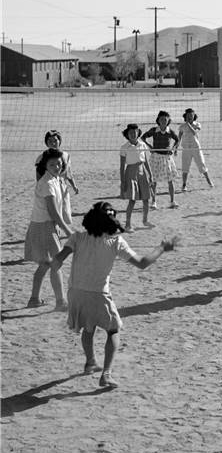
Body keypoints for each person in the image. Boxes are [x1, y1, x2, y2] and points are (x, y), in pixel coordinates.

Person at [51, 202, 178, 388]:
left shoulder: (77, 237)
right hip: (98, 293)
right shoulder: (115, 241)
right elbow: (142, 263)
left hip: (76, 292)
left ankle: (90, 362)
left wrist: (51, 264)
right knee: (113, 330)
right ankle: (106, 374)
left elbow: (58, 259)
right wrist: (161, 248)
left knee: (88, 328)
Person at [25, 148, 74, 310]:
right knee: (55, 263)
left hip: (47, 225)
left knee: (46, 264)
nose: (56, 166)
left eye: (59, 163)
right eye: (52, 164)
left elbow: (58, 211)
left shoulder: (56, 179)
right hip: (43, 226)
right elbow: (53, 212)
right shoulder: (46, 183)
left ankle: (34, 299)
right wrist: (68, 231)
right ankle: (60, 302)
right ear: (45, 165)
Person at [35, 130, 79, 227]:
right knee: (51, 211)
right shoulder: (42, 157)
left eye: (55, 140)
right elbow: (38, 175)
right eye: (50, 141)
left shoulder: (65, 155)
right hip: (49, 187)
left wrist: (74, 185)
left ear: (60, 141)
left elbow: (68, 172)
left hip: (62, 187)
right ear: (46, 143)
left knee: (63, 210)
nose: (53, 143)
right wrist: (40, 188)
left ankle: (60, 229)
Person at [142, 110, 180, 209]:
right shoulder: (154, 130)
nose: (163, 121)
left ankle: (172, 201)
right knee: (153, 180)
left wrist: (173, 148)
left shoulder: (170, 131)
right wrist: (150, 146)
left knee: (170, 180)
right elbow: (143, 137)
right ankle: (153, 202)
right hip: (156, 157)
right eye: (161, 119)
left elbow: (177, 140)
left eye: (165, 119)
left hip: (167, 157)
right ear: (158, 120)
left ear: (168, 121)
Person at [119, 123, 154, 232]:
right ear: (127, 134)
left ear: (138, 133)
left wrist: (150, 174)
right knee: (132, 200)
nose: (133, 134)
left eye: (135, 132)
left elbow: (146, 160)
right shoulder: (124, 147)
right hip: (130, 173)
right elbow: (121, 166)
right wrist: (123, 181)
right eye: (130, 133)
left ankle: (145, 220)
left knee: (146, 198)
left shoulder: (142, 144)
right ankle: (127, 225)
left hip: (142, 171)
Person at [178, 108, 214, 192]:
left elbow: (194, 132)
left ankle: (209, 181)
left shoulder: (197, 124)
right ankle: (184, 185)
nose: (190, 117)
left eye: (191, 116)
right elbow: (179, 137)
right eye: (188, 116)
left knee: (201, 165)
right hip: (186, 149)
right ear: (185, 116)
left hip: (196, 148)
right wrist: (176, 147)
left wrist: (188, 125)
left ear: (194, 116)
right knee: (185, 167)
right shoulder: (182, 126)